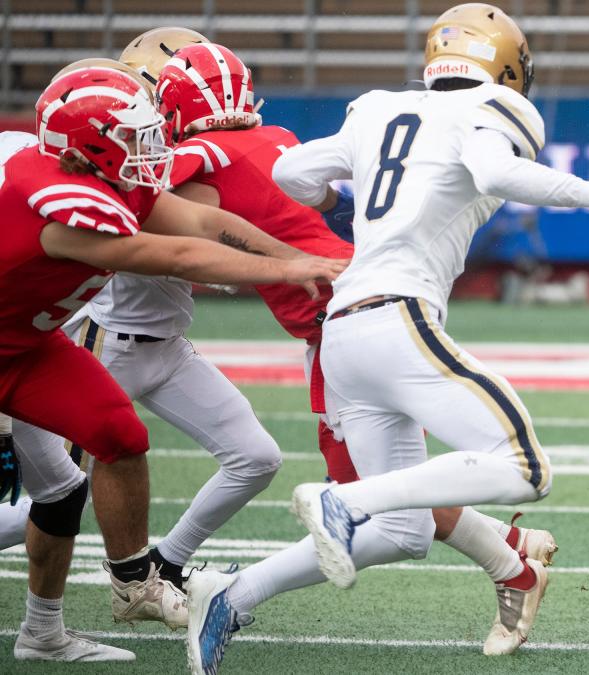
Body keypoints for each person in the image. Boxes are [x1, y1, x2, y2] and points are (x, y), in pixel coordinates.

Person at [183, 4, 589, 673]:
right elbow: (498, 175)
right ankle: (342, 499)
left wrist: (337, 203)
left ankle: (231, 595)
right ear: (502, 62)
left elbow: (292, 172)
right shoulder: (496, 107)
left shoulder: (377, 106)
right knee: (525, 468)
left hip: (343, 334)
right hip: (397, 317)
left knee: (407, 531)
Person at [149, 32, 558, 592]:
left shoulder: (200, 155)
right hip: (383, 303)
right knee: (387, 493)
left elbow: (167, 231)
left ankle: (511, 563)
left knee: (368, 494)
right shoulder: (278, 139)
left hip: (343, 323)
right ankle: (511, 557)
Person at [0, 67, 345, 662]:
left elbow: (206, 223)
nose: (152, 148)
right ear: (93, 144)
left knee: (115, 439)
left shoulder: (109, 181)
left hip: (28, 345)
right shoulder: (62, 209)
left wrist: (300, 257)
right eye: (136, 135)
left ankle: (77, 614)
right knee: (50, 487)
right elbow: (185, 254)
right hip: (36, 341)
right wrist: (290, 270)